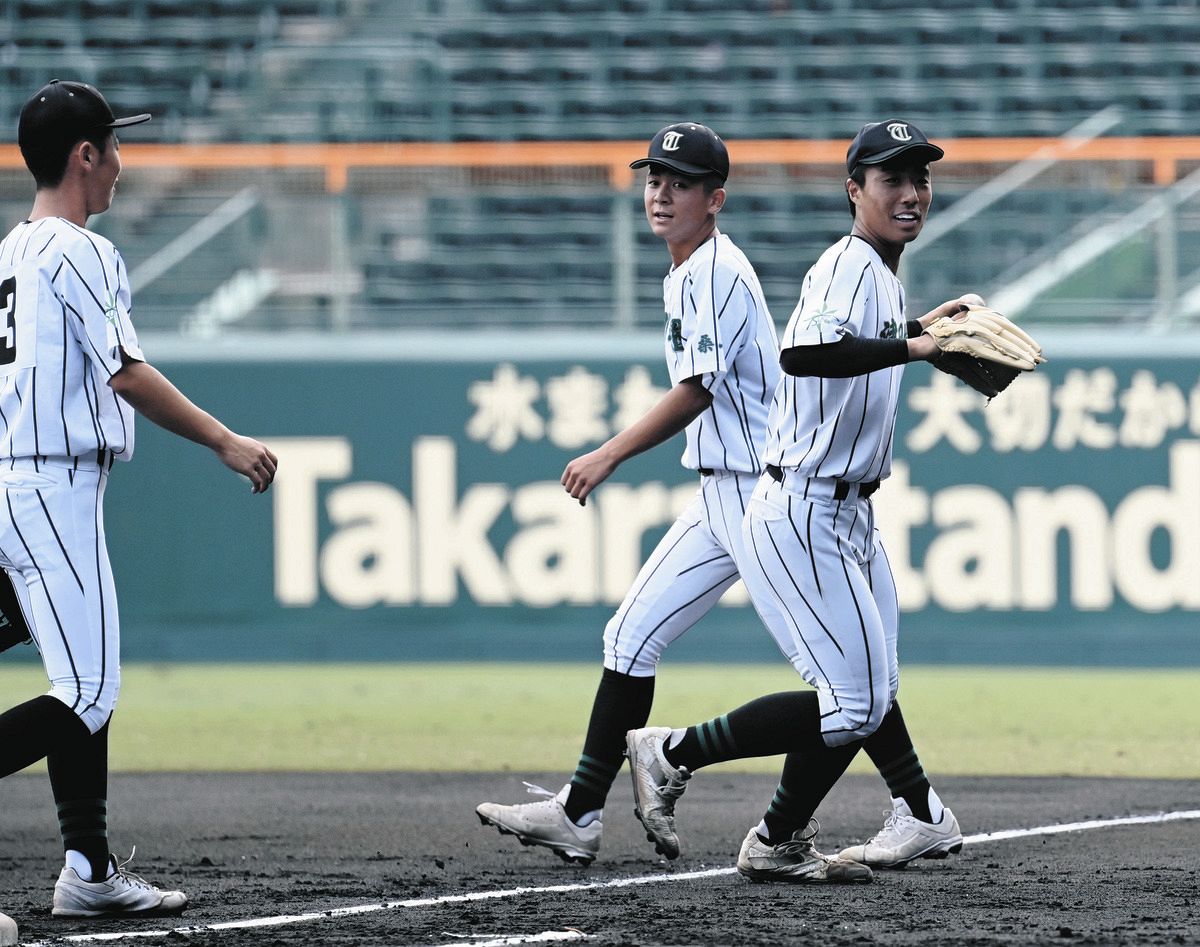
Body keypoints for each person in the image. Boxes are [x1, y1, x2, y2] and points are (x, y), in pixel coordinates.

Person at [626, 119, 968, 883]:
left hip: (848, 511)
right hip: (805, 508)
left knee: (872, 689)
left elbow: (855, 343)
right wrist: (912, 346)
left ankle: (833, 827)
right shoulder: (848, 263)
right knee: (853, 702)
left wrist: (922, 328)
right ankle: (673, 751)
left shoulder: (879, 274)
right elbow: (804, 351)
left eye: (920, 178)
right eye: (891, 179)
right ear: (855, 191)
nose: (911, 193)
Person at [0, 79, 278, 918]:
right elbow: (124, 372)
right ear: (85, 155)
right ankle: (87, 871)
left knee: (77, 675)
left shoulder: (10, 252)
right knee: (87, 692)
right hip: (51, 488)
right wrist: (224, 439)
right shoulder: (78, 249)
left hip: (14, 485)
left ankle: (88, 869)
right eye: (115, 146)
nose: (122, 162)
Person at [475, 122, 783, 865]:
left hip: (759, 497)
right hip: (722, 495)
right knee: (629, 637)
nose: (661, 193)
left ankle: (909, 802)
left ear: (716, 198)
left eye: (681, 183)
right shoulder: (687, 269)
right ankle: (579, 812)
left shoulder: (714, 270)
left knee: (837, 676)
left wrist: (608, 453)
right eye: (654, 179)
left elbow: (697, 390)